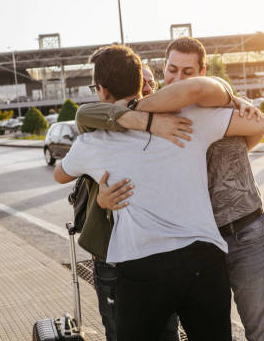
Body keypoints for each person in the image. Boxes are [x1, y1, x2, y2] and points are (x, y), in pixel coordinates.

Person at [54, 44, 264, 340]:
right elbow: (258, 122)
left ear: (102, 91)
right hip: (204, 261)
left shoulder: (92, 142)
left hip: (143, 266)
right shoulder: (189, 119)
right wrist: (235, 102)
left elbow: (60, 173)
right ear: (141, 83)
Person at [86, 62, 181, 341]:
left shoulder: (170, 125)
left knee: (166, 332)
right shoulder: (101, 125)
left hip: (158, 257)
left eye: (152, 84)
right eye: (143, 83)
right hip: (113, 260)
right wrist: (101, 202)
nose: (148, 89)